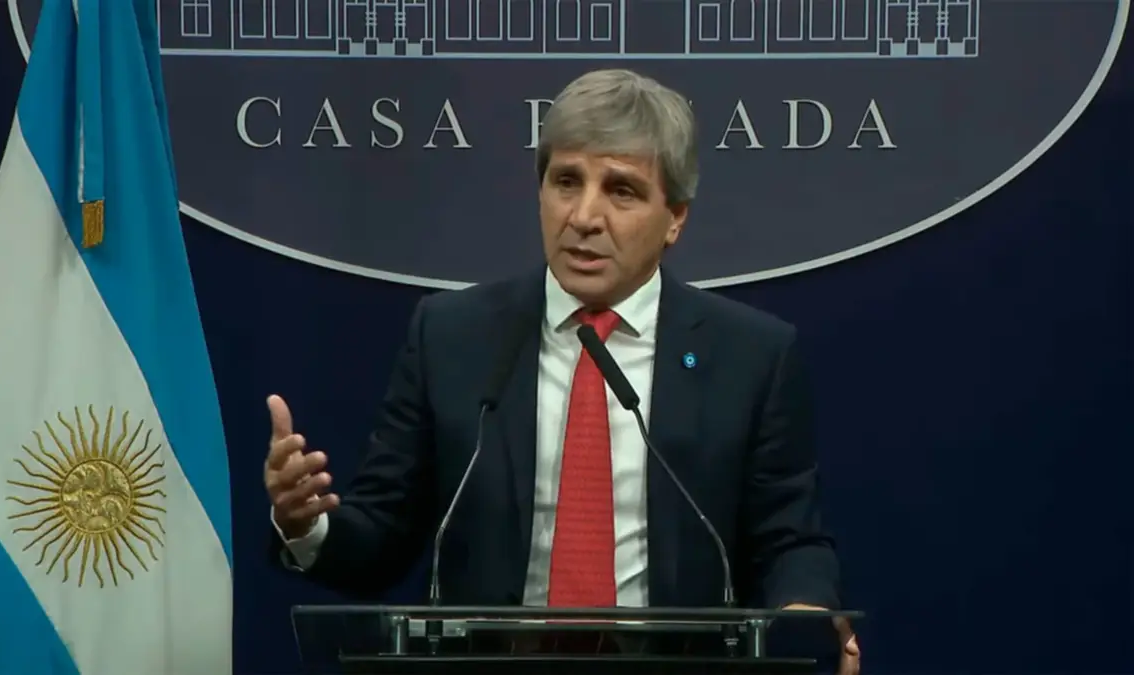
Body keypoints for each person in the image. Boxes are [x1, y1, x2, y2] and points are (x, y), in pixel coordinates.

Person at [263, 68, 860, 674]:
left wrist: (804, 614)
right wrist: (307, 525)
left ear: (675, 217)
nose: (584, 216)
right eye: (566, 181)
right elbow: (383, 536)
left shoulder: (751, 355)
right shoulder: (451, 336)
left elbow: (789, 539)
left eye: (622, 191)